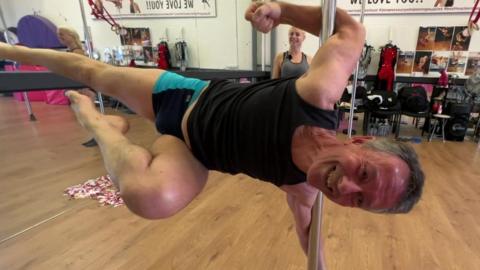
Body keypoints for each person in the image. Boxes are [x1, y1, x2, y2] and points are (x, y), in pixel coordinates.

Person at [0, 2, 424, 267]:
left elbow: (310, 239)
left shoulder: (302, 189)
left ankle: (96, 121)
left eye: (360, 200)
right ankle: (9, 50)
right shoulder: (318, 94)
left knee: (150, 198)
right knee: (92, 71)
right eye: (363, 174)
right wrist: (281, 10)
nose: (345, 187)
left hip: (190, 153)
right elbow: (351, 32)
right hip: (180, 98)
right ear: (361, 141)